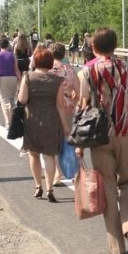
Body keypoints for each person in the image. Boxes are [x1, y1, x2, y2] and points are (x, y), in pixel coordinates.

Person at [76, 28, 128, 254]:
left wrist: (79, 143)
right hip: (127, 132)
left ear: (94, 48)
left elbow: (83, 106)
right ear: (115, 45)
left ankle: (117, 245)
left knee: (107, 187)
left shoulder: (87, 72)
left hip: (99, 136)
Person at [18, 48, 70, 203]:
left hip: (32, 120)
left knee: (33, 155)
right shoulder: (57, 80)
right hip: (51, 120)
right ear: (49, 62)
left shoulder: (28, 77)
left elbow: (22, 99)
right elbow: (60, 105)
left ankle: (37, 186)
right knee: (49, 156)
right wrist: (66, 126)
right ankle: (49, 189)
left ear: (35, 61)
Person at [49, 41, 79, 186]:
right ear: (64, 54)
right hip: (67, 106)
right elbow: (78, 92)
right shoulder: (69, 69)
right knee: (69, 140)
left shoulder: (48, 70)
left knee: (53, 140)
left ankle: (57, 174)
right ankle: (73, 172)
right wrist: (72, 100)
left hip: (51, 107)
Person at [0, 38, 21, 129]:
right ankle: (13, 118)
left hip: (2, 78)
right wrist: (20, 81)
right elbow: (16, 70)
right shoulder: (13, 56)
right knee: (11, 99)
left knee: (4, 100)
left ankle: (8, 123)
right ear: (8, 45)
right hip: (13, 78)